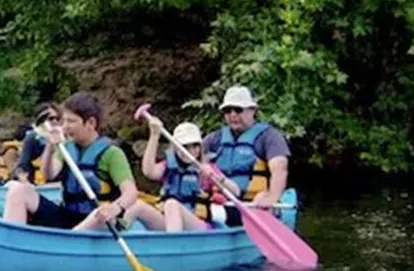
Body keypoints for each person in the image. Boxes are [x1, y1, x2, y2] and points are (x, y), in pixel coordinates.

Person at [2, 93, 138, 230]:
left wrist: (116, 207)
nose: (65, 127)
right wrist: (50, 146)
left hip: (99, 221)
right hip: (68, 216)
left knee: (98, 214)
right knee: (18, 191)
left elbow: (130, 192)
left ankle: (69, 241)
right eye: (64, 121)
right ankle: (12, 239)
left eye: (71, 121)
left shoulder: (112, 153)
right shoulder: (66, 148)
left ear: (91, 123)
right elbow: (48, 174)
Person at [202, 86, 291, 214]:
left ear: (252, 111)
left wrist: (271, 197)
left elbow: (280, 169)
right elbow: (192, 163)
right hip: (220, 205)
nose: (233, 115)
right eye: (228, 110)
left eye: (238, 110)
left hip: (254, 205)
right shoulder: (214, 139)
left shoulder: (268, 137)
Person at [124, 119, 213, 231]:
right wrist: (154, 135)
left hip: (197, 225)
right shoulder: (168, 166)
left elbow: (234, 190)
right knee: (136, 206)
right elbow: (148, 171)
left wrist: (215, 177)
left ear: (200, 147)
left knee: (172, 204)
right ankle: (118, 239)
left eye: (195, 146)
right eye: (185, 146)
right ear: (176, 147)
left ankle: (173, 245)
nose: (190, 151)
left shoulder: (207, 169)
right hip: (170, 222)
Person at [12, 103, 59, 183]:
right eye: (51, 118)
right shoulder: (32, 137)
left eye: (58, 118)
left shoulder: (65, 136)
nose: (55, 121)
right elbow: (22, 166)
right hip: (40, 183)